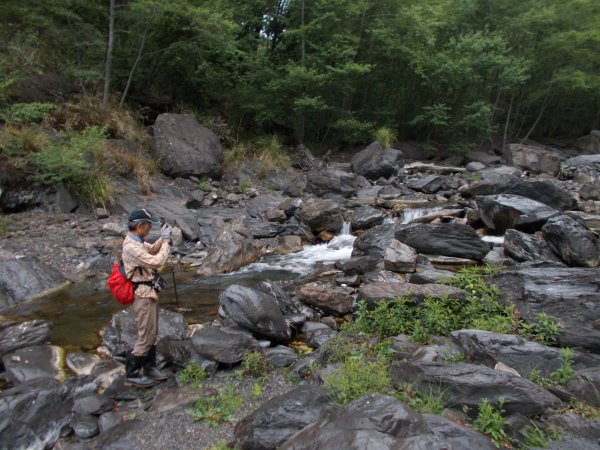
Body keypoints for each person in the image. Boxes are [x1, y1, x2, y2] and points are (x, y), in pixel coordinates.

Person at [121, 207, 172, 388]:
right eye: (149, 225)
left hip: (149, 293)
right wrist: (166, 242)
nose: (150, 228)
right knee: (145, 335)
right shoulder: (130, 246)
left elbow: (151, 251)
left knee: (152, 332)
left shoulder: (138, 241)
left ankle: (149, 368)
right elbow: (156, 261)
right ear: (140, 225)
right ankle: (131, 374)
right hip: (142, 296)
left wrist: (163, 238)